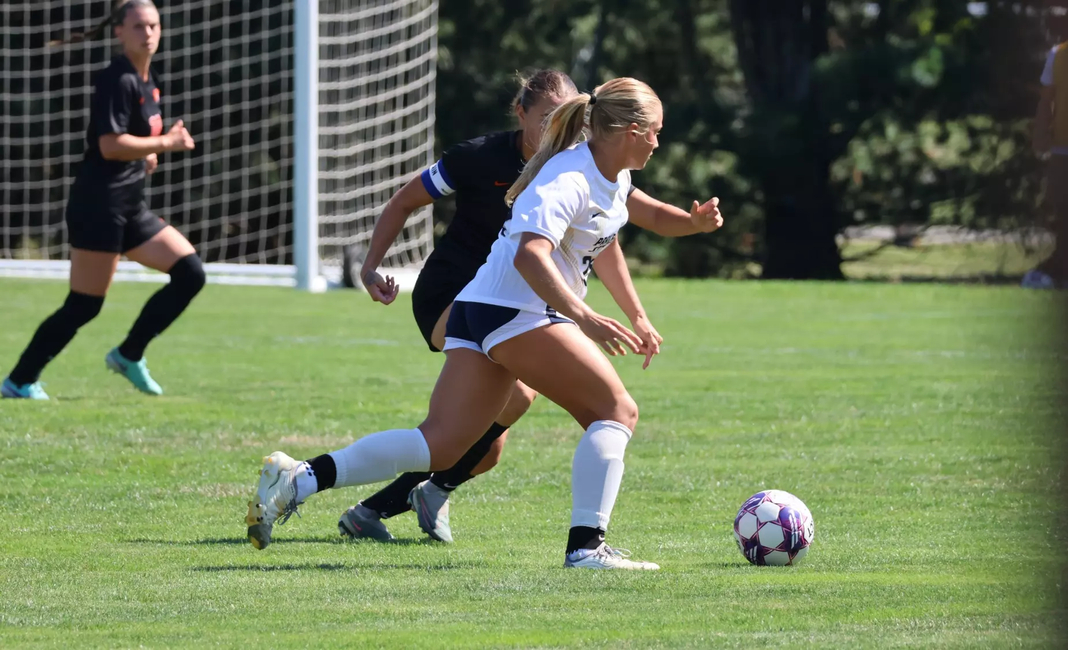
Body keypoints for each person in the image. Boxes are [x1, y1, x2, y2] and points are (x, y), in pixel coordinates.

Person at [246, 77, 721, 570]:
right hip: (513, 312)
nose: (659, 143)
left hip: (483, 310)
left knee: (440, 444)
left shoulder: (608, 173)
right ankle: (586, 547)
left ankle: (299, 478)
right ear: (630, 130)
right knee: (616, 411)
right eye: (656, 132)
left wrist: (692, 225)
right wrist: (584, 316)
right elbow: (529, 257)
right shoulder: (569, 177)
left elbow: (641, 222)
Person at [2, 0, 202, 400]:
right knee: (84, 305)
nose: (148, 33)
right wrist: (166, 142)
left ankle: (129, 354)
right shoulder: (118, 77)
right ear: (119, 32)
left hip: (130, 207)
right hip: (99, 206)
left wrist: (146, 152)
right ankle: (19, 380)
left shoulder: (148, 80)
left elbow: (128, 140)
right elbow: (109, 145)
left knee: (190, 273)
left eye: (154, 25)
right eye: (138, 26)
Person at [1027, 40, 1068, 289]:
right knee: (1062, 212)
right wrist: (1040, 134)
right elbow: (1046, 100)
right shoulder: (1059, 53)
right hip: (1063, 149)